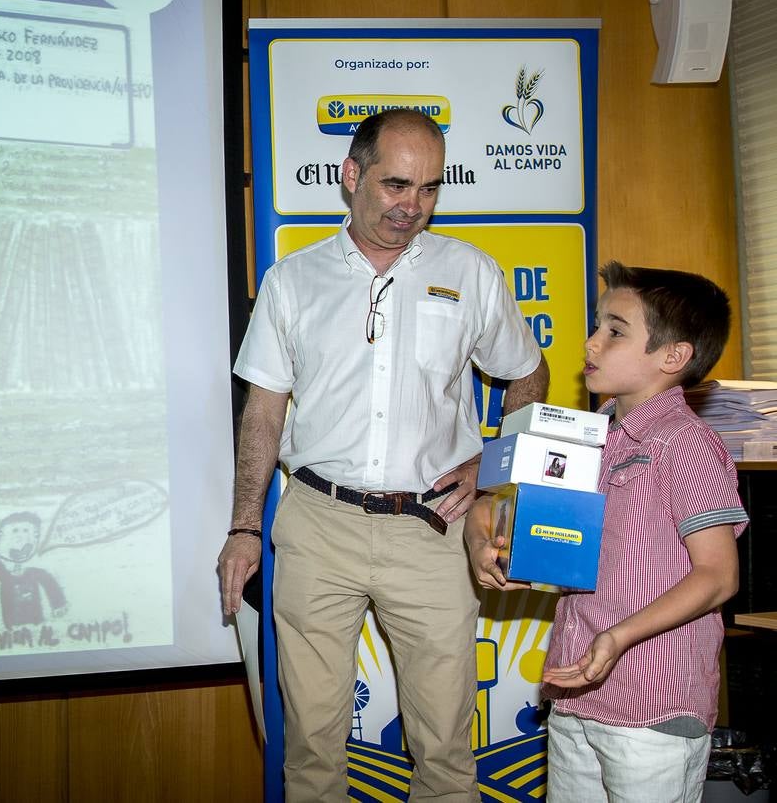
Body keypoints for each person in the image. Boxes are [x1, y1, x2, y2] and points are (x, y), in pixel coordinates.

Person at [218, 108, 550, 801]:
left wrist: (494, 462)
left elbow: (527, 373)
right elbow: (262, 415)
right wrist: (244, 527)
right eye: (397, 184)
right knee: (309, 746)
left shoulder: (470, 271)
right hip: (316, 524)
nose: (413, 206)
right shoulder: (292, 281)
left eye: (429, 188)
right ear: (350, 176)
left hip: (432, 530)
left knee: (444, 750)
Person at [468, 263, 746, 802]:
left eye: (615, 331)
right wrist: (492, 544)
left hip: (653, 709)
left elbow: (718, 576)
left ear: (673, 356)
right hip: (576, 698)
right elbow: (505, 511)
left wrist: (618, 638)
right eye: (597, 325)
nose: (591, 342)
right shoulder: (592, 438)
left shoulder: (686, 445)